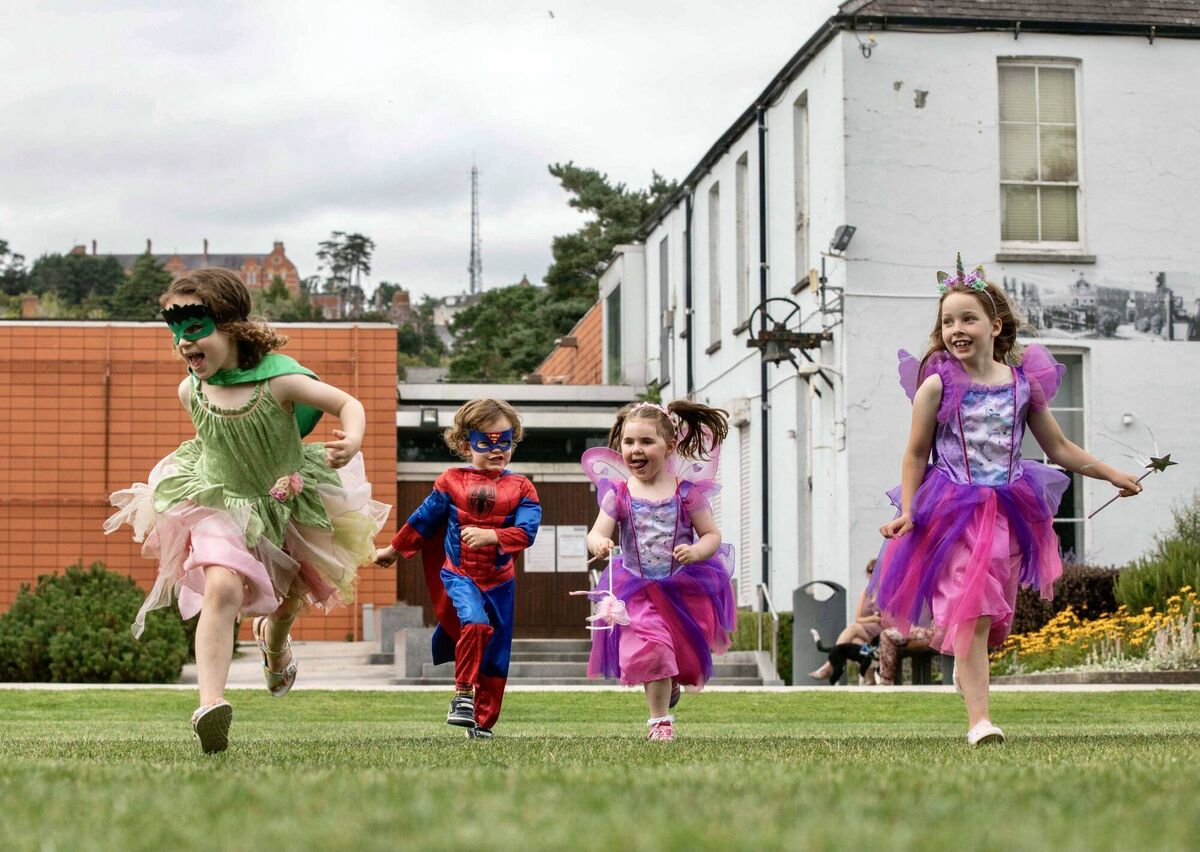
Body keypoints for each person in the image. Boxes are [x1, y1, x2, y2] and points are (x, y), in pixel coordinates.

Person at [105, 268, 390, 754]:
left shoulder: (278, 381)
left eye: (193, 329)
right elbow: (215, 441)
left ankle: (274, 646)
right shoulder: (189, 390)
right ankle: (210, 705)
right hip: (218, 501)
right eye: (174, 333)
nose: (182, 344)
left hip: (284, 499)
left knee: (287, 602)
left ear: (231, 326)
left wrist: (354, 438)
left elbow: (348, 403)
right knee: (222, 585)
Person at [871, 255, 1142, 746]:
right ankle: (981, 721)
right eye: (947, 321)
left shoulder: (1023, 386)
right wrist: (908, 511)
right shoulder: (936, 386)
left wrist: (1111, 474)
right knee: (971, 611)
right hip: (950, 512)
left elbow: (1059, 448)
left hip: (1008, 512)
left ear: (995, 325)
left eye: (968, 318)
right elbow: (914, 454)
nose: (957, 329)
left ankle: (965, 672)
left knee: (988, 616)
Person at [374, 399, 540, 739]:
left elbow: (527, 532)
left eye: (505, 441)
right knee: (476, 624)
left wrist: (492, 535)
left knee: (497, 655)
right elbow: (423, 519)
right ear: (466, 444)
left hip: (499, 582)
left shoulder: (522, 487)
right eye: (487, 441)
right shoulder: (450, 481)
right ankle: (462, 695)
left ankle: (483, 724)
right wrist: (394, 549)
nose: (497, 449)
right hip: (460, 573)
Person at [581, 400, 736, 742]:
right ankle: (659, 722)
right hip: (635, 588)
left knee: (676, 650)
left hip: (682, 588)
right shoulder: (619, 494)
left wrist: (697, 550)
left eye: (646, 442)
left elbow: (712, 535)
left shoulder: (685, 493)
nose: (636, 450)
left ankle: (670, 683)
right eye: (629, 442)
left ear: (669, 446)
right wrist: (599, 544)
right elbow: (597, 531)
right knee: (651, 648)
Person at [808, 559, 882, 684]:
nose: (871, 574)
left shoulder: (886, 592)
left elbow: (886, 619)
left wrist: (875, 620)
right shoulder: (865, 592)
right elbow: (858, 617)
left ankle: (828, 666)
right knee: (856, 642)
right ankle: (870, 679)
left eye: (874, 571)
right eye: (869, 571)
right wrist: (873, 618)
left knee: (853, 628)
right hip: (865, 631)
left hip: (878, 632)